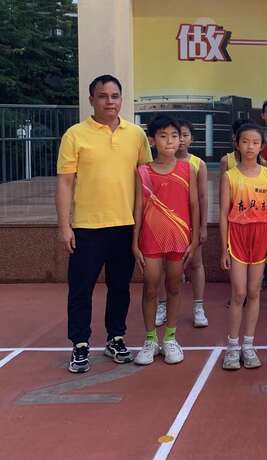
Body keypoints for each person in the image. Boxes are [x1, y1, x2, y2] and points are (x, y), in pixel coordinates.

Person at [56, 74, 152, 373]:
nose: (109, 101)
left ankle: (116, 338)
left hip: (126, 225)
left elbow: (145, 182)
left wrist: (146, 225)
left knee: (120, 287)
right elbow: (65, 183)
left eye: (114, 96)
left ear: (121, 99)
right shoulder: (75, 135)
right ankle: (80, 344)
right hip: (87, 227)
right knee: (81, 289)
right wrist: (64, 226)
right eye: (102, 96)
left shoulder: (136, 135)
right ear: (91, 100)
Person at [132, 115, 200, 365]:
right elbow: (138, 207)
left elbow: (194, 205)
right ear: (152, 140)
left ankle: (170, 338)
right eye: (163, 136)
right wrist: (134, 242)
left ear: (181, 139)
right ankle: (150, 339)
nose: (170, 141)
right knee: (150, 288)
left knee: (174, 287)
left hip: (179, 239)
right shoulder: (143, 171)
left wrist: (194, 239)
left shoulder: (188, 169)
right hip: (150, 238)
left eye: (174, 136)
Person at [219, 124, 267, 370]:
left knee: (254, 292)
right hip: (237, 235)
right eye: (245, 141)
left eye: (255, 142)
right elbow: (224, 213)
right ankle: (232, 346)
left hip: (261, 235)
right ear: (237, 144)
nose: (250, 146)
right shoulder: (230, 175)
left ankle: (248, 345)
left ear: (261, 146)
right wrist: (224, 247)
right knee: (239, 292)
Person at [174, 120, 209, 328]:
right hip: (169, 223)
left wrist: (202, 226)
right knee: (165, 268)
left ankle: (198, 307)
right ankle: (162, 305)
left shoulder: (198, 164)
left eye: (185, 135)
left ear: (191, 139)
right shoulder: (158, 163)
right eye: (176, 135)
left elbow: (203, 197)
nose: (180, 139)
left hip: (191, 223)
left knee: (196, 264)